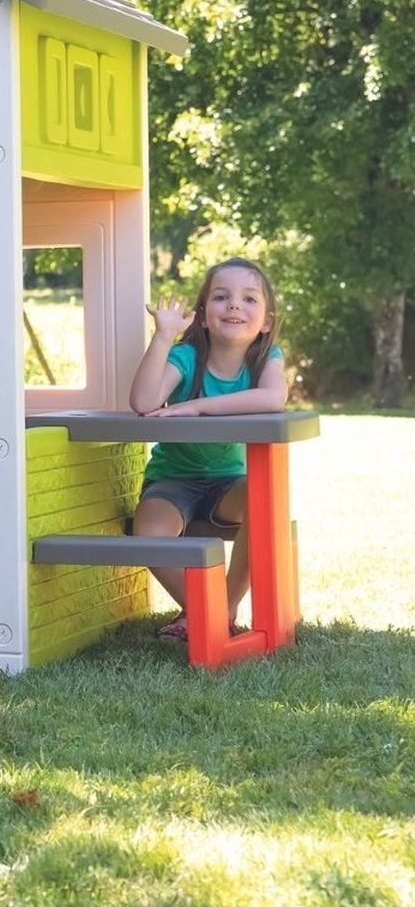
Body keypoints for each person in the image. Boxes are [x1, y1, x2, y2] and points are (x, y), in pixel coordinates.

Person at [128, 258, 286, 641]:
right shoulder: (186, 358)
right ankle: (210, 613)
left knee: (262, 500)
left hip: (228, 483)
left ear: (266, 320)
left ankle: (224, 608)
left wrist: (199, 406)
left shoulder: (266, 359)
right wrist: (164, 336)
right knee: (147, 533)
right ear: (201, 316)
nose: (234, 305)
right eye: (221, 297)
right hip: (171, 482)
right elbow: (143, 401)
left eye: (249, 299)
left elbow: (273, 398)